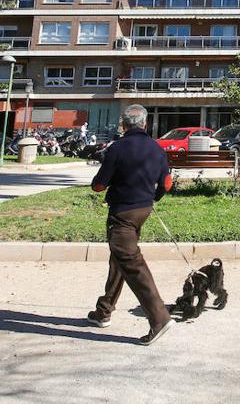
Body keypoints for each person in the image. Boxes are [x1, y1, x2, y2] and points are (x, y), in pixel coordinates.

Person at [86, 104, 175, 345]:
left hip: (122, 214)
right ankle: (103, 311)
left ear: (124, 125)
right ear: (145, 124)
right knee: (120, 258)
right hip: (143, 211)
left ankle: (159, 319)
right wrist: (153, 198)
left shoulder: (117, 148)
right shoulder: (157, 149)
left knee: (131, 263)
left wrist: (103, 178)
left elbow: (98, 185)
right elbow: (166, 183)